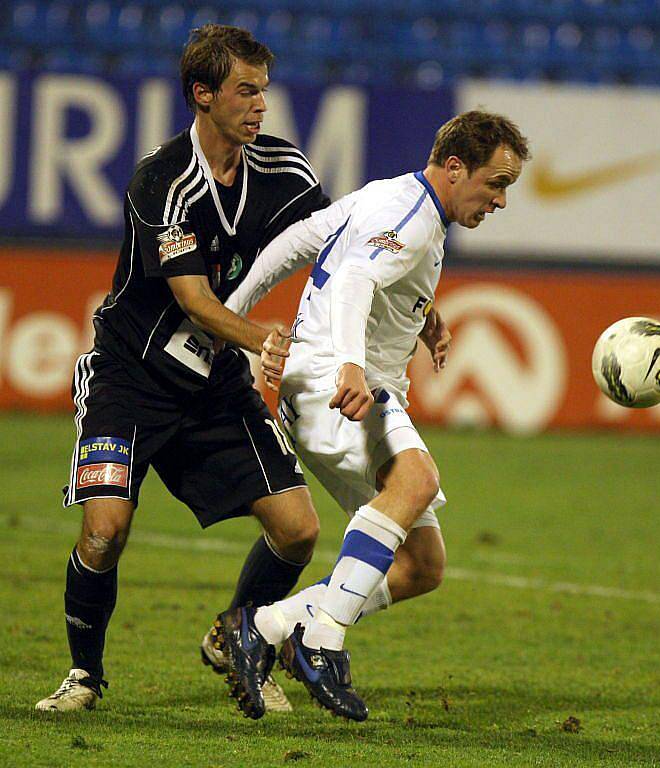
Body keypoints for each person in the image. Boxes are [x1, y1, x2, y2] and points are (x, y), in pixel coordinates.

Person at [35, 24, 332, 719]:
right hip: (127, 381)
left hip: (212, 386)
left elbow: (346, 238)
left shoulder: (283, 171)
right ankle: (84, 673)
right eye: (245, 90)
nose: (261, 104)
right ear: (202, 94)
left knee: (297, 529)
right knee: (104, 531)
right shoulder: (162, 182)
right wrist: (261, 338)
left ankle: (236, 636)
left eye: (264, 89)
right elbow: (193, 300)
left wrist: (414, 302)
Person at [220, 111, 530, 720]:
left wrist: (231, 311)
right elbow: (360, 275)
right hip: (343, 386)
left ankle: (264, 624)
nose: (499, 200)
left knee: (422, 566)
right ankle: (322, 639)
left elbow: (300, 242)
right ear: (455, 167)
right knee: (416, 479)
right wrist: (353, 366)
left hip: (322, 384)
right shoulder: (411, 219)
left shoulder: (388, 196)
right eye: (495, 184)